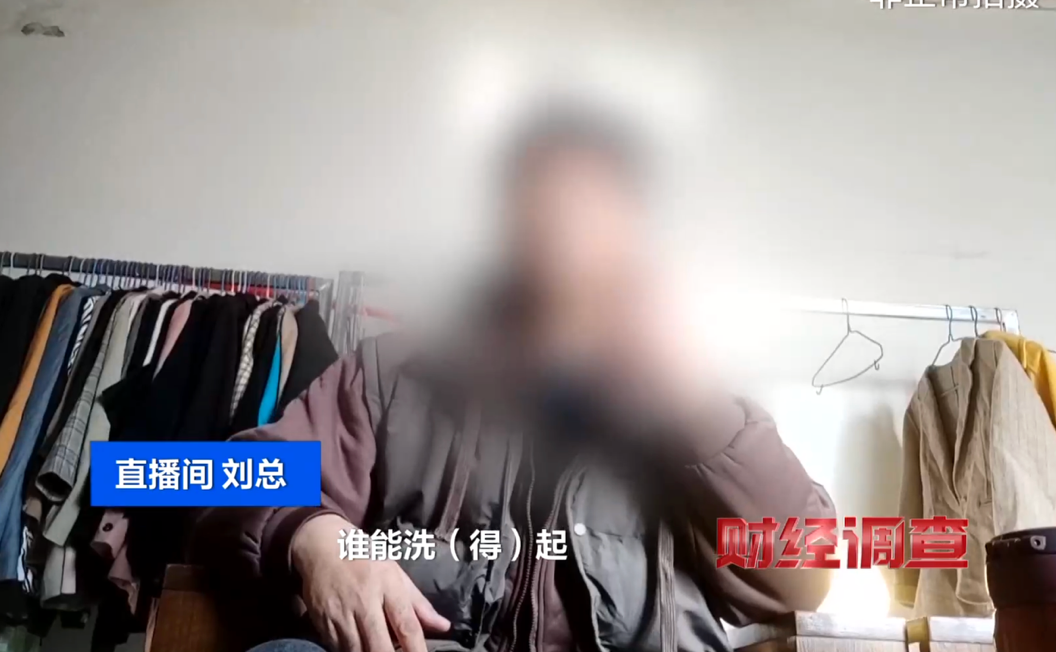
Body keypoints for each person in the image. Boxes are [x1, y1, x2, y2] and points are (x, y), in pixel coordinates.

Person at [188, 102, 836, 652]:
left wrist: (697, 411)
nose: (566, 238)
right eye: (544, 206)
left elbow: (803, 575)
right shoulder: (394, 373)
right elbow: (225, 478)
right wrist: (310, 535)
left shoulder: (702, 411)